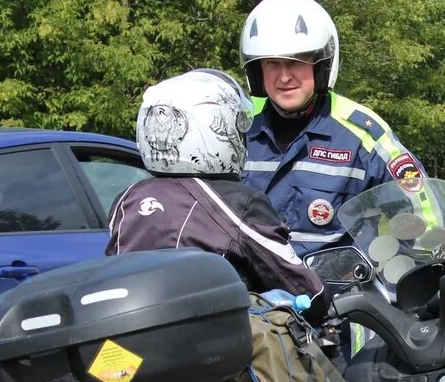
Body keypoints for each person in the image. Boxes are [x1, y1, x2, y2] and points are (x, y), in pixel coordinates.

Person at [106, 68, 327, 320]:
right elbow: (306, 291)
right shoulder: (239, 203)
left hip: (133, 337)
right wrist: (325, 300)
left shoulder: (128, 199)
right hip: (210, 346)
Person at [238, 0, 439, 255]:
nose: (284, 77)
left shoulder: (362, 134)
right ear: (257, 71)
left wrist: (413, 274)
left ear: (321, 66)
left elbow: (421, 210)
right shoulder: (238, 128)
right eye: (272, 64)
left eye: (296, 62)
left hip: (339, 292)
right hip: (253, 293)